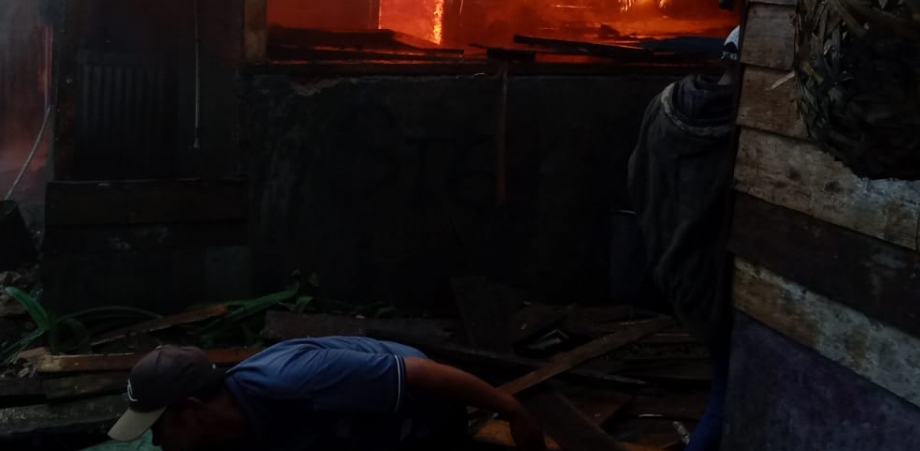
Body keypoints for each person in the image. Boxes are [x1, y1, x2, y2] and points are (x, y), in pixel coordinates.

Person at [109, 336, 546, 451]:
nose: (158, 442)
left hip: (420, 408)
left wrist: (513, 411)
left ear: (192, 409)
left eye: (158, 428)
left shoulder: (294, 379)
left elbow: (423, 374)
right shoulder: (219, 435)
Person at [625, 25, 741, 451]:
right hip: (716, 288)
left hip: (670, 269)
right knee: (728, 396)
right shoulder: (743, 131)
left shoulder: (665, 102)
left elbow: (636, 180)